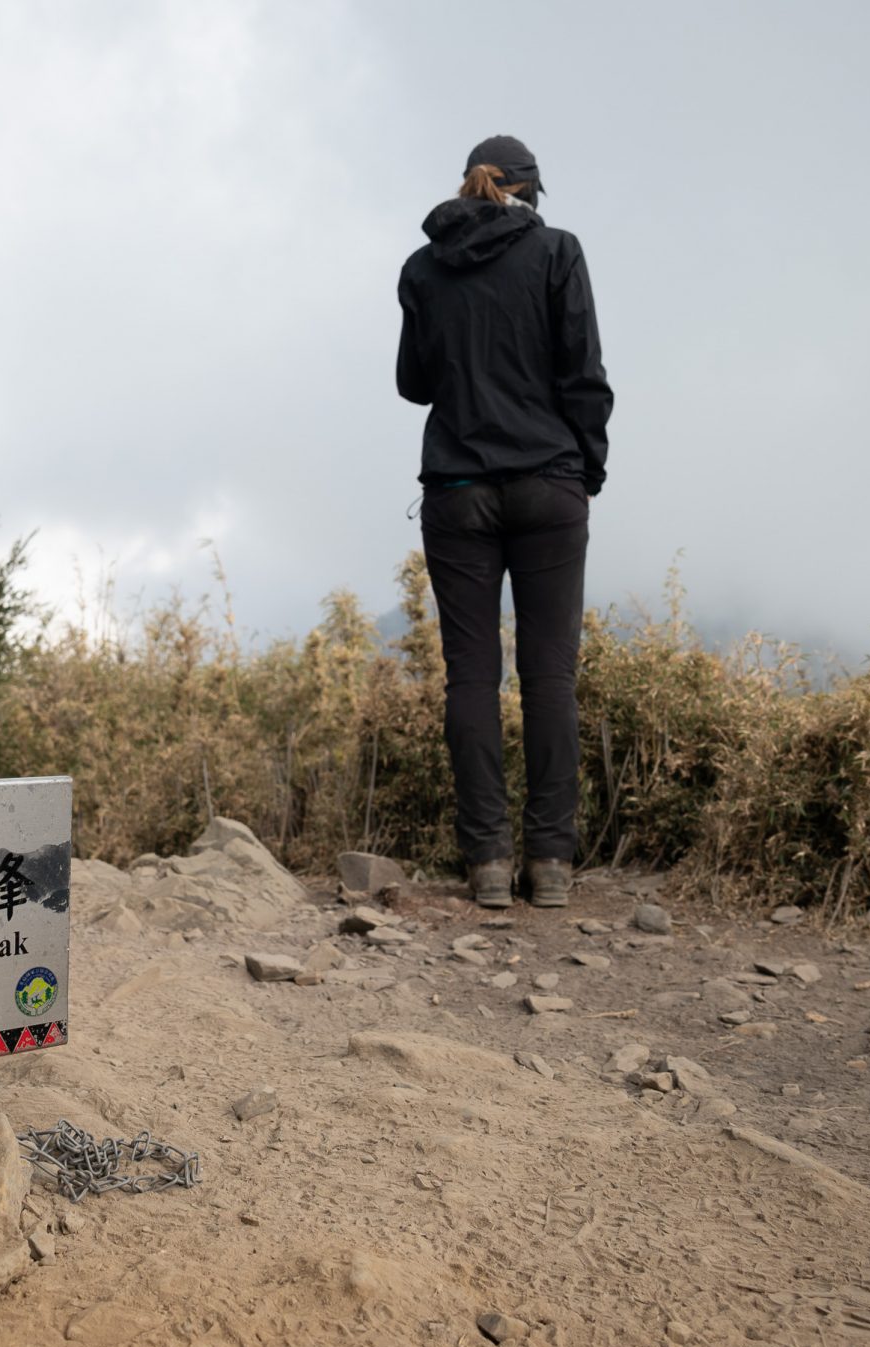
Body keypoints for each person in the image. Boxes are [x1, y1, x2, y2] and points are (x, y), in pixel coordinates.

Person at [396, 134, 614, 911]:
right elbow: (583, 373)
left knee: (472, 675)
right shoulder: (558, 252)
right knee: (550, 674)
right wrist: (585, 467)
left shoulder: (423, 268)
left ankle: (487, 861)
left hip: (457, 485)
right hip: (549, 482)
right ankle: (550, 862)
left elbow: (412, 383)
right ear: (529, 191)